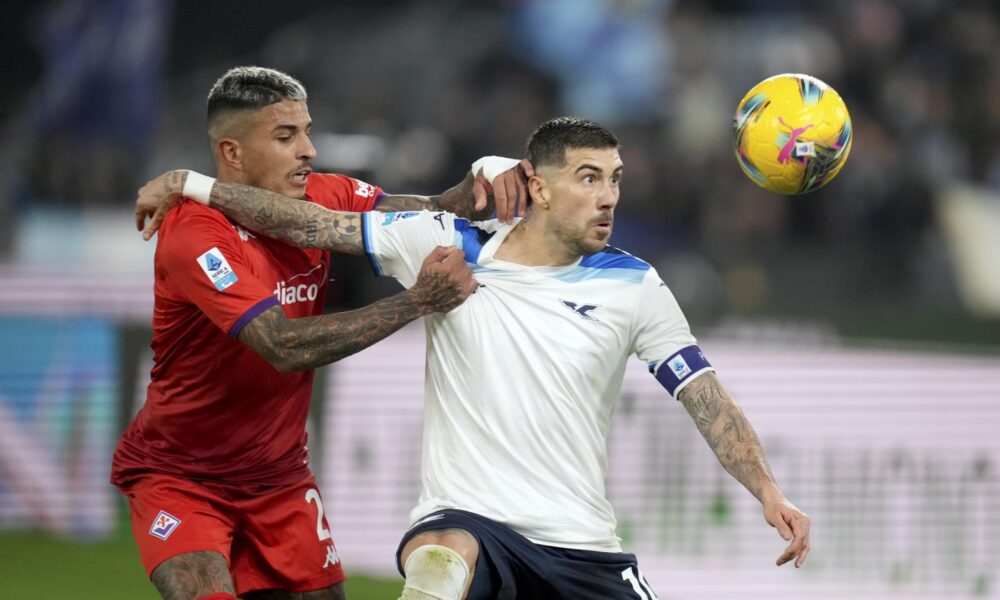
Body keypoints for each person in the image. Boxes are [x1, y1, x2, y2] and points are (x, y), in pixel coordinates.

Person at [136, 117, 811, 600]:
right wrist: (195, 185)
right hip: (467, 521)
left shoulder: (635, 284)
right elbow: (307, 222)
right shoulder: (445, 242)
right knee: (440, 563)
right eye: (587, 177)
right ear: (539, 190)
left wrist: (768, 490)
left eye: (614, 179)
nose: (607, 196)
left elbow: (705, 396)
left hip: (581, 544)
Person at [115, 66, 528, 600]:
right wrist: (418, 301)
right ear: (233, 153)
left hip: (280, 478)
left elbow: (434, 213)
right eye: (286, 137)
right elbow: (281, 346)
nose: (308, 149)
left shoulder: (326, 195)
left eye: (307, 131)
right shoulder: (194, 233)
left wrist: (485, 173)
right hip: (182, 476)